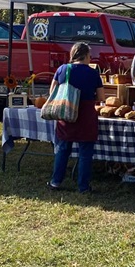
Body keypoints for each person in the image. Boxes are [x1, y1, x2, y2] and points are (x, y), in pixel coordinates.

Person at [48, 42, 104, 193]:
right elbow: (101, 96)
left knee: (62, 150)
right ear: (85, 55)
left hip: (66, 113)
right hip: (86, 116)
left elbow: (52, 91)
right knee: (85, 153)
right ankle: (83, 186)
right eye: (89, 55)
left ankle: (55, 182)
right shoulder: (93, 73)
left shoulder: (62, 69)